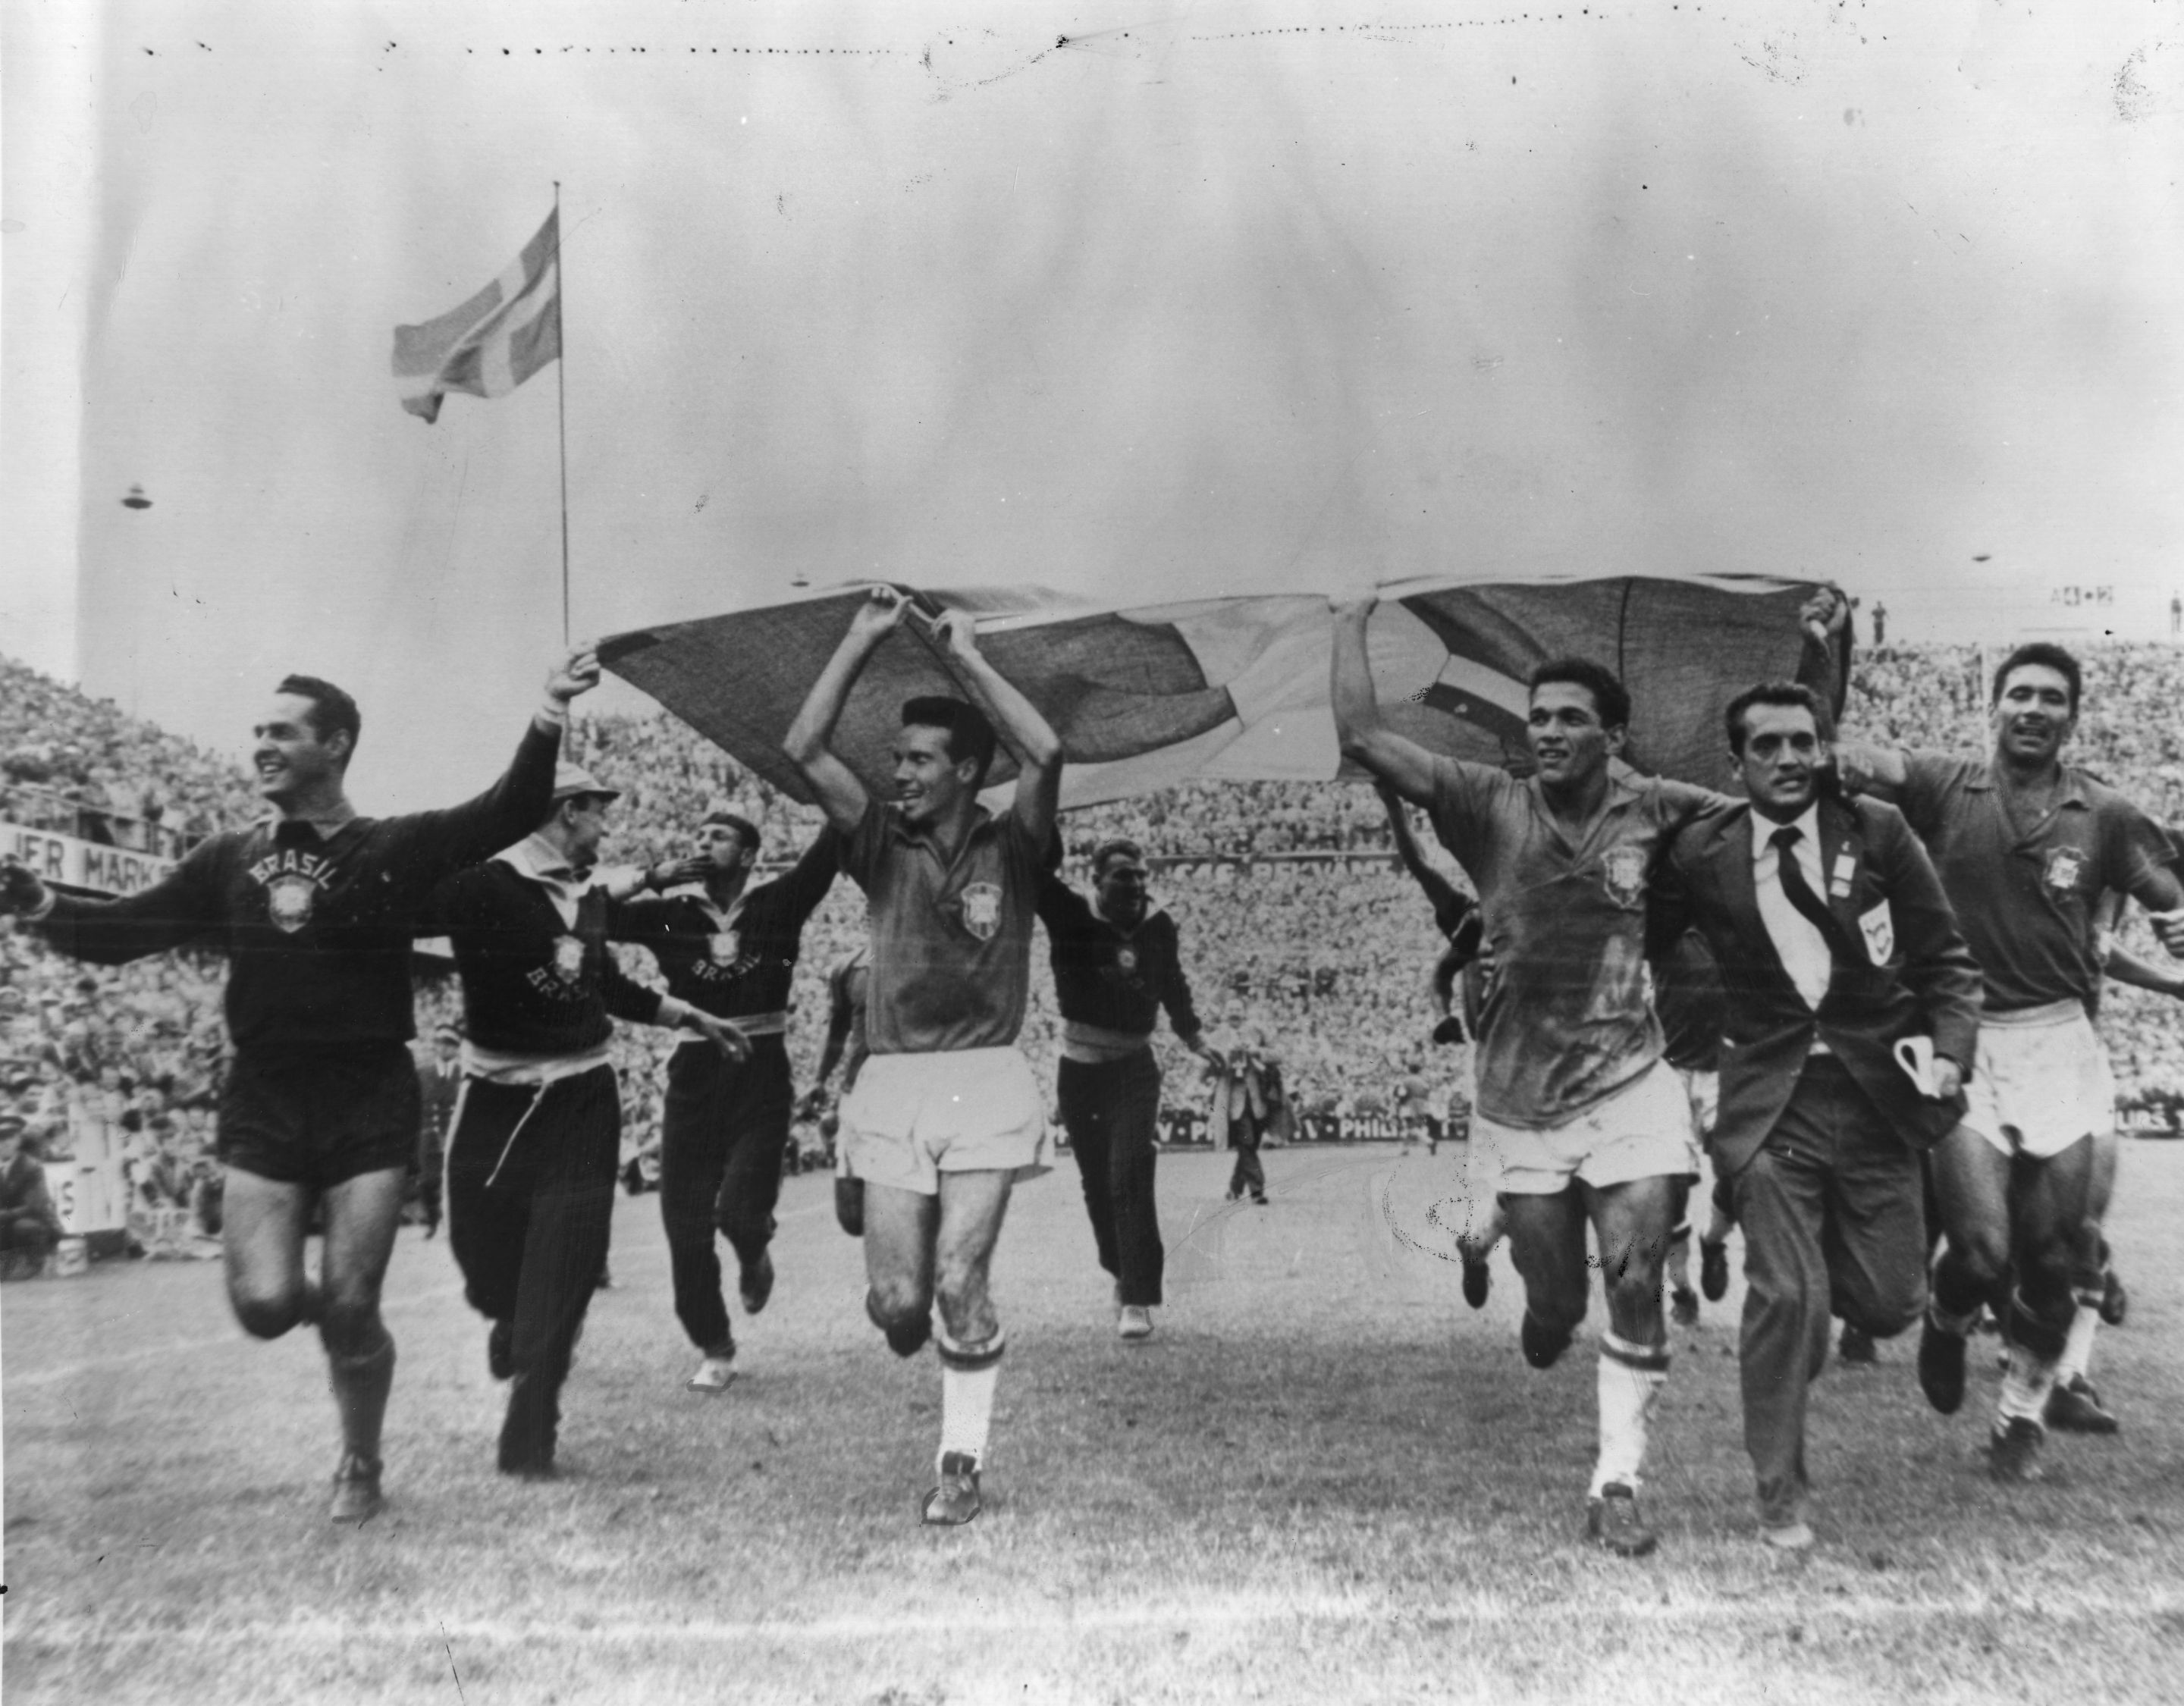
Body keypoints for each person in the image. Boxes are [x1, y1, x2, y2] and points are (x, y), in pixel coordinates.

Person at [0, 648, 599, 1522]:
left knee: (353, 1302)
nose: (262, 747)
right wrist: (41, 908)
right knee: (267, 1304)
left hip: (366, 1095)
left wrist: (549, 709)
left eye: (282, 733)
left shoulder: (391, 847)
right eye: (256, 733)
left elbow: (505, 810)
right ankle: (351, 1336)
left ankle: (360, 1461)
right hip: (266, 1099)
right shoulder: (224, 858)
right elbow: (129, 930)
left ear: (337, 746)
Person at [1332, 591, 1834, 1556]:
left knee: (1637, 1280)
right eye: (1539, 718)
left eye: (1570, 719)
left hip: (1630, 1082)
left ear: (1614, 734)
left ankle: (1618, 1483)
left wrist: (1821, 650)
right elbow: (1360, 732)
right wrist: (1351, 613)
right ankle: (1544, 1308)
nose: (1549, 732)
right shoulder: (1487, 802)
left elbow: (1788, 784)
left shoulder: (1660, 810)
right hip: (1520, 1100)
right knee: (1559, 1301)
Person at [1826, 618, 2184, 1480]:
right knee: (1981, 1251)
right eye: (2019, 694)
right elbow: (1851, 756)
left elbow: (2172, 904)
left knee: (2057, 1255)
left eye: (2051, 700)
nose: (2032, 709)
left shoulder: (2105, 814)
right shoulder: (1947, 786)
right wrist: (1822, 655)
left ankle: (2020, 1416)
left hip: (2061, 1042)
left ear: (2072, 720)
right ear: (1993, 707)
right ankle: (1948, 1324)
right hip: (1961, 1039)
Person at [1651, 682, 1982, 1548]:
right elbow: (1634, 930)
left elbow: (1946, 959)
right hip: (1770, 1101)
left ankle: (1834, 1293)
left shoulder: (1879, 830)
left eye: (1804, 741)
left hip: (1878, 1098)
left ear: (1824, 747)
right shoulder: (1701, 852)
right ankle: (1779, 1495)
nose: (1790, 758)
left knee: (1889, 1302)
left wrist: (1950, 1050)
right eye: (1767, 745)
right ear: (1738, 763)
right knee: (1786, 1294)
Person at [783, 585, 1063, 1527]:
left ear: (966, 771)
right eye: (897, 758)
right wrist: (863, 636)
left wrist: (968, 656)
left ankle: (961, 1465)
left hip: (985, 1077)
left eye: (918, 759)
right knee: (901, 1308)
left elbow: (1047, 750)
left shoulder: (1016, 846)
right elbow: (804, 751)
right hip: (893, 1080)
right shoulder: (875, 842)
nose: (899, 772)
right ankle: (863, 1188)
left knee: (958, 1285)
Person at [431, 764, 748, 1479]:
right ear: (568, 812)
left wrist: (690, 1013)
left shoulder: (586, 895)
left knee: (567, 1266)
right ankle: (507, 1315)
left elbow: (605, 983)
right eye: (599, 812)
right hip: (496, 1095)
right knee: (479, 1257)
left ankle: (532, 1419)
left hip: (582, 1095)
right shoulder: (482, 888)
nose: (607, 825)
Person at [607, 816, 841, 1392]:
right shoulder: (674, 913)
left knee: (738, 1212)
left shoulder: (778, 904)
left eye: (717, 836)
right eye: (699, 834)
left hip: (760, 1073)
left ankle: (754, 1251)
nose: (701, 842)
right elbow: (587, 915)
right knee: (684, 1227)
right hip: (694, 1077)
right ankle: (715, 1344)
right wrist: (649, 879)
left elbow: (833, 845)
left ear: (750, 855)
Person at [1036, 837, 1219, 1341]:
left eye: (1141, 874)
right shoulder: (1071, 913)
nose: (1137, 884)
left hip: (1134, 1068)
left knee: (1130, 1174)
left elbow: (1173, 982)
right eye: (1123, 875)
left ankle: (1138, 1298)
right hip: (1080, 1071)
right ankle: (1121, 1275)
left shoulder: (1158, 924)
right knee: (1097, 1187)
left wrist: (1193, 1035)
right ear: (1097, 882)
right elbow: (1033, 873)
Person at [804, 942, 872, 1237]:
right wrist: (818, 1079)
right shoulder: (849, 966)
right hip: (861, 1090)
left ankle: (906, 1278)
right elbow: (836, 1031)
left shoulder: (928, 955)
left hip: (915, 1089)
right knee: (852, 1215)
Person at [0, 1115, 65, 1278]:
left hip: (37, 1222)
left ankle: (35, 1263)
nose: (4, 1143)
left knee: (23, 1226)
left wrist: (4, 1215)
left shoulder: (31, 1166)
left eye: (10, 1138)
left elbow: (34, 1206)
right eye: (1, 1139)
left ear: (18, 1141)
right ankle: (7, 1264)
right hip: (7, 1222)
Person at [415, 1023, 462, 1239]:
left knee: (457, 1181)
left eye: (449, 1044)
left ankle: (456, 1225)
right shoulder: (423, 1073)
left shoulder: (463, 1075)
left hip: (457, 1134)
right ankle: (432, 1222)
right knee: (427, 1182)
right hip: (429, 1136)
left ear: (457, 1048)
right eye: (440, 1043)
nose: (444, 1048)